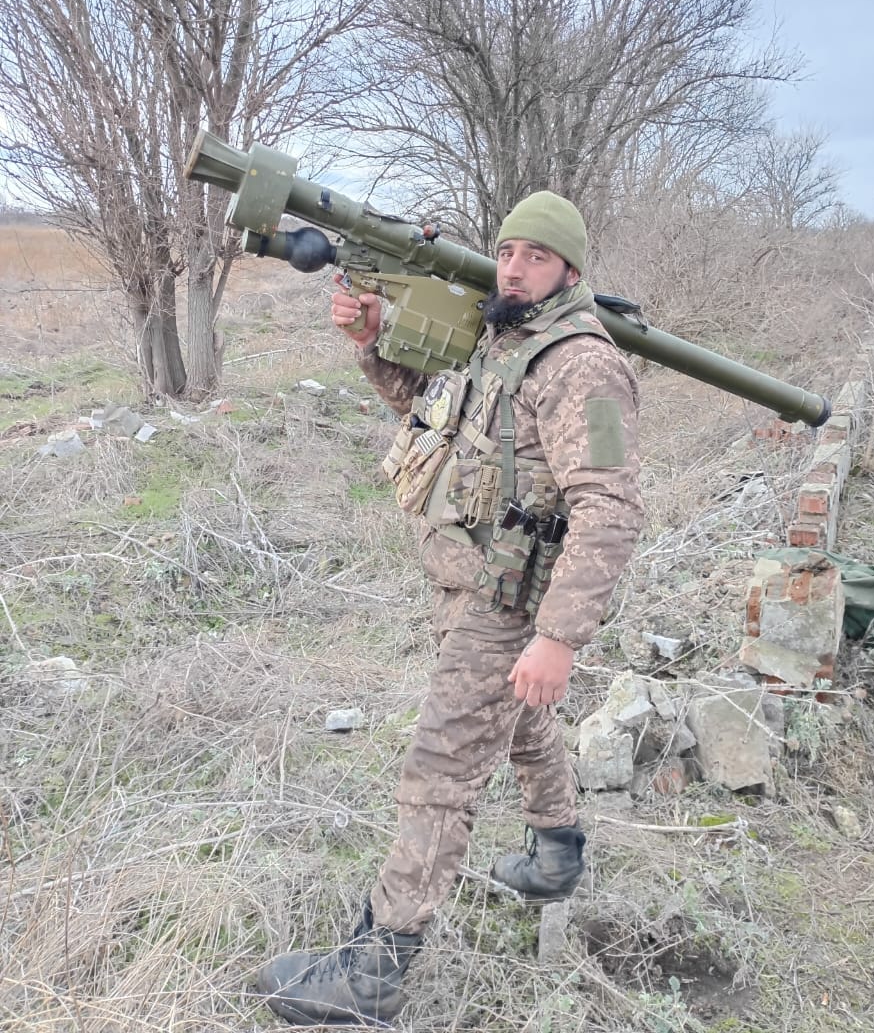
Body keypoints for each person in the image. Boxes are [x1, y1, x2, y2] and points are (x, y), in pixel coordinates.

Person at [258, 191, 645, 1026]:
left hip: (512, 599)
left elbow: (611, 509)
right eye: (507, 250)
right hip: (471, 575)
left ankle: (374, 974)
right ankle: (556, 849)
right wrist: (371, 346)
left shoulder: (585, 365)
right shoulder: (508, 334)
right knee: (520, 721)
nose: (513, 266)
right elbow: (436, 416)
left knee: (440, 768)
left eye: (535, 256)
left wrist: (558, 638)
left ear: (569, 270)